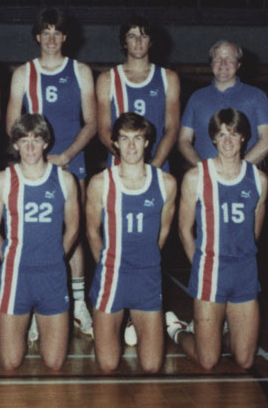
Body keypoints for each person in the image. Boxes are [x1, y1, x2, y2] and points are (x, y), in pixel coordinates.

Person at [5, 9, 96, 336]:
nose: (51, 39)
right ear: (37, 37)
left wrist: (67, 155)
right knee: (32, 229)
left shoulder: (81, 71)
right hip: (33, 161)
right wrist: (37, 158)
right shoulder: (22, 74)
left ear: (65, 38)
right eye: (46, 33)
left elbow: (93, 122)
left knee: (74, 230)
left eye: (57, 33)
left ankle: (78, 304)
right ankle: (29, 307)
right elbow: (11, 124)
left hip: (72, 162)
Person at [166, 108, 268, 370]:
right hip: (210, 271)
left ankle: (217, 328)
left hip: (244, 271)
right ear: (213, 139)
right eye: (221, 135)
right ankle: (177, 330)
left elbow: (254, 231)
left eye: (233, 134)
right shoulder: (196, 177)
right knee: (208, 360)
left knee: (244, 360)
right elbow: (184, 231)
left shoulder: (258, 179)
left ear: (244, 137)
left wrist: (240, 254)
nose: (227, 141)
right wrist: (201, 264)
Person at [0, 113, 79, 371]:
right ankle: (28, 323)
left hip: (52, 274)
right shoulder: (4, 180)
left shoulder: (64, 180)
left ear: (46, 143)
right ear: (15, 144)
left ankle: (40, 321)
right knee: (11, 362)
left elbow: (73, 228)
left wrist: (57, 256)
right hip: (16, 275)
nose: (30, 147)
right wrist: (8, 258)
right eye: (24, 140)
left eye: (36, 140)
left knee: (54, 362)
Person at [86, 112, 177, 373]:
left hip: (147, 276)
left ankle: (169, 328)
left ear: (148, 142)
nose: (131, 146)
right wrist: (106, 266)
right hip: (111, 275)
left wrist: (144, 260)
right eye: (124, 139)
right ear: (114, 142)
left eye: (138, 138)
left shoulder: (166, 184)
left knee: (151, 366)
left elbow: (163, 231)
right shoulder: (100, 183)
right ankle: (123, 320)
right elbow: (92, 232)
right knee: (108, 364)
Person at [96, 15, 180, 171]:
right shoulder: (107, 79)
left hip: (158, 164)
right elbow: (103, 130)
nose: (138, 42)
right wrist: (129, 163)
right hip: (119, 165)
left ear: (151, 41)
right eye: (132, 36)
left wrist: (154, 166)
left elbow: (172, 129)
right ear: (124, 42)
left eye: (144, 36)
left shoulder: (168, 77)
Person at [178, 40, 268, 166]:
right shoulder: (197, 98)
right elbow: (183, 140)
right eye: (218, 59)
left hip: (247, 177)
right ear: (211, 63)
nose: (223, 63)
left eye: (229, 59)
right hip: (205, 178)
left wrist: (240, 170)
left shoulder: (257, 96)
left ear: (238, 64)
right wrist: (203, 170)